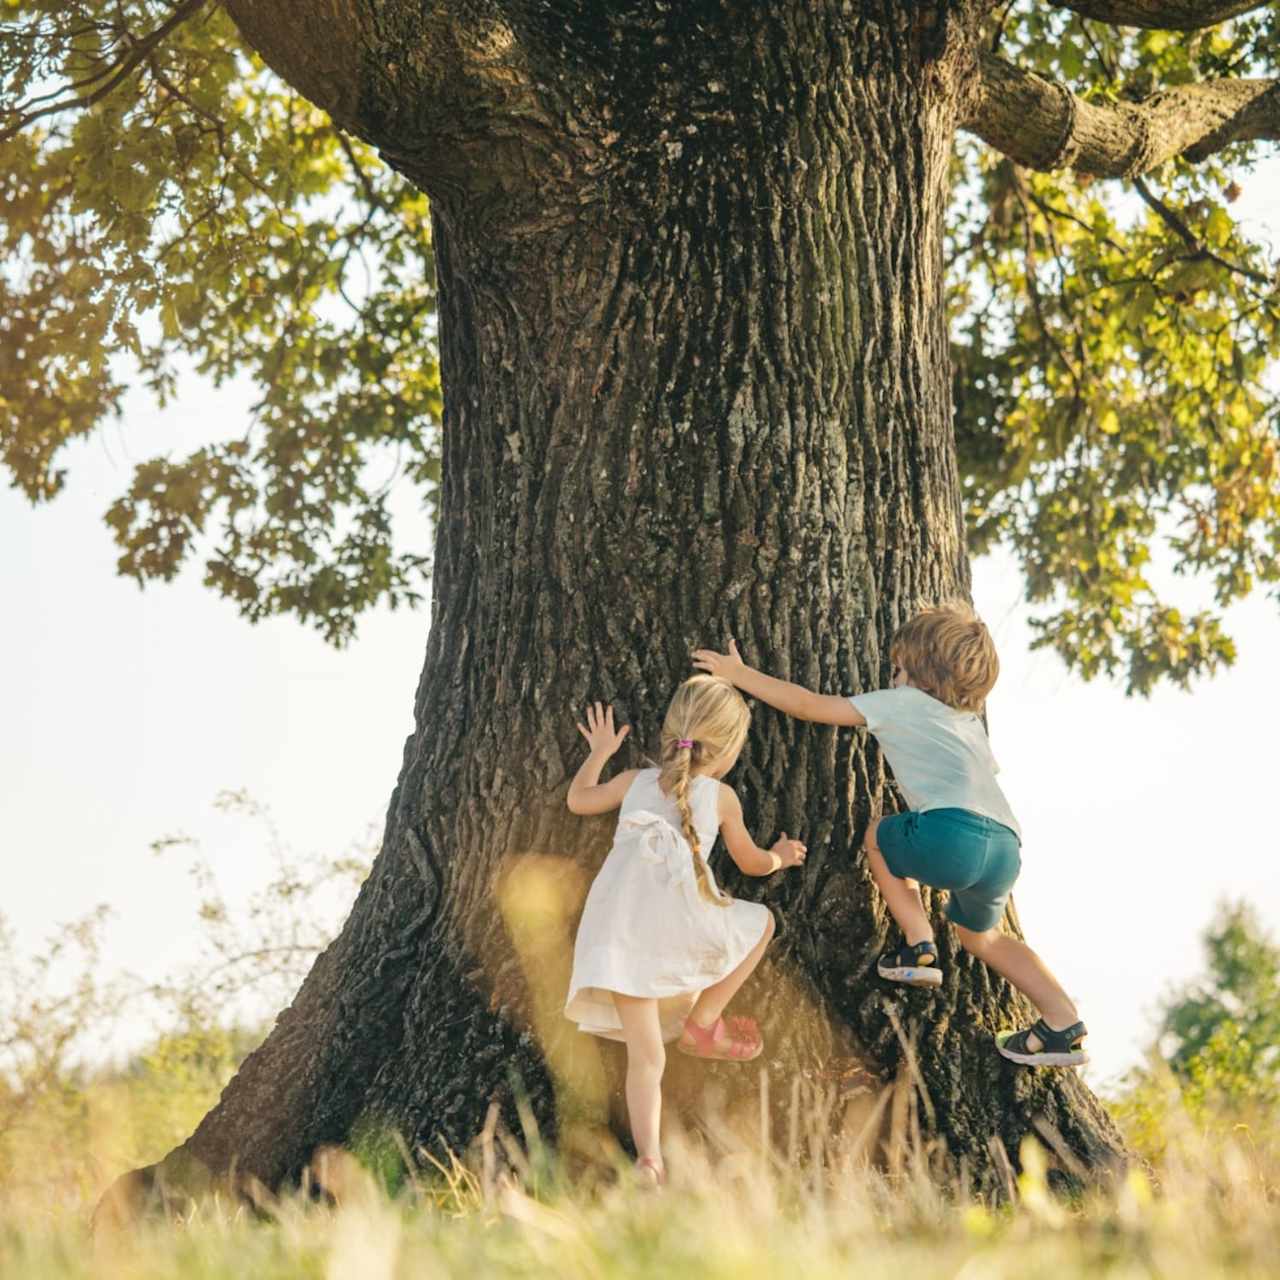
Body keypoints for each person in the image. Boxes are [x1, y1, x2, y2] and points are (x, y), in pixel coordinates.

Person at [692, 605, 1088, 1069]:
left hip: (950, 833)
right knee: (983, 938)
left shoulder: (900, 701)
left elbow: (808, 705)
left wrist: (740, 675)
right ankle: (1063, 1020)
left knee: (878, 835)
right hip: (1004, 847)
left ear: (918, 671)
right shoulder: (968, 723)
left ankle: (919, 946)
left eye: (897, 668)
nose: (892, 676)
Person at [564, 676, 807, 1185]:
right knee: (760, 922)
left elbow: (579, 801)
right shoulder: (720, 796)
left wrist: (601, 753)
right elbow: (752, 863)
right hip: (675, 926)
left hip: (620, 935)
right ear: (729, 748)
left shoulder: (633, 781)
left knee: (645, 1058)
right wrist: (781, 858)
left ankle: (649, 1161)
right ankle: (704, 1021)